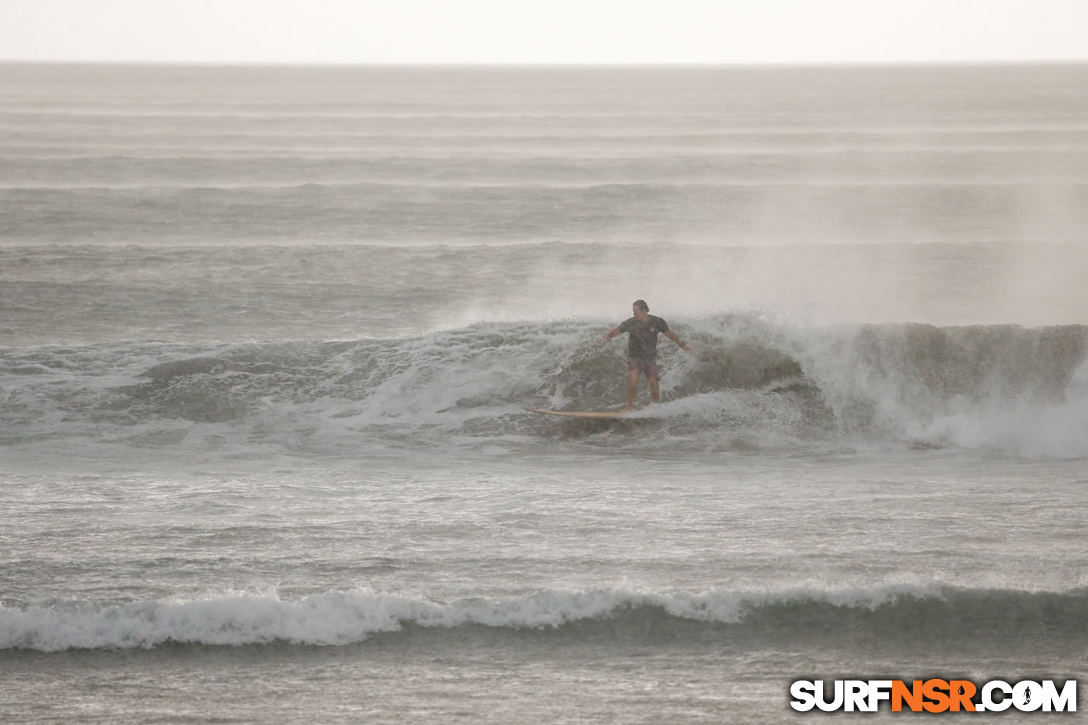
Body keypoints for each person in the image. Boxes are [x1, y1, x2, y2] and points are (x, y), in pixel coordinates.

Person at [601, 299, 691, 410]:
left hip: (650, 358)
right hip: (635, 357)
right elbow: (617, 330)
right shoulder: (631, 322)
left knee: (654, 383)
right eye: (633, 312)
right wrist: (607, 336)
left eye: (636, 312)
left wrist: (683, 346)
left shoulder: (657, 322)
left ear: (645, 311)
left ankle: (655, 406)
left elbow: (671, 335)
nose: (634, 314)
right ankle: (629, 407)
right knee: (633, 379)